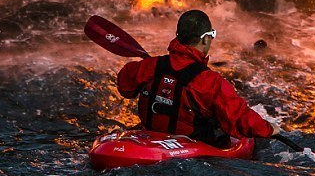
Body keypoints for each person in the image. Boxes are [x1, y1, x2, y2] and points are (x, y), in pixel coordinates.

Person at [116, 9, 281, 146]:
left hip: (149, 140)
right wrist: (268, 128)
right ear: (205, 38)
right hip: (189, 149)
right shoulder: (210, 82)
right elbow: (238, 117)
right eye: (212, 35)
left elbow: (124, 86)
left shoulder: (150, 66)